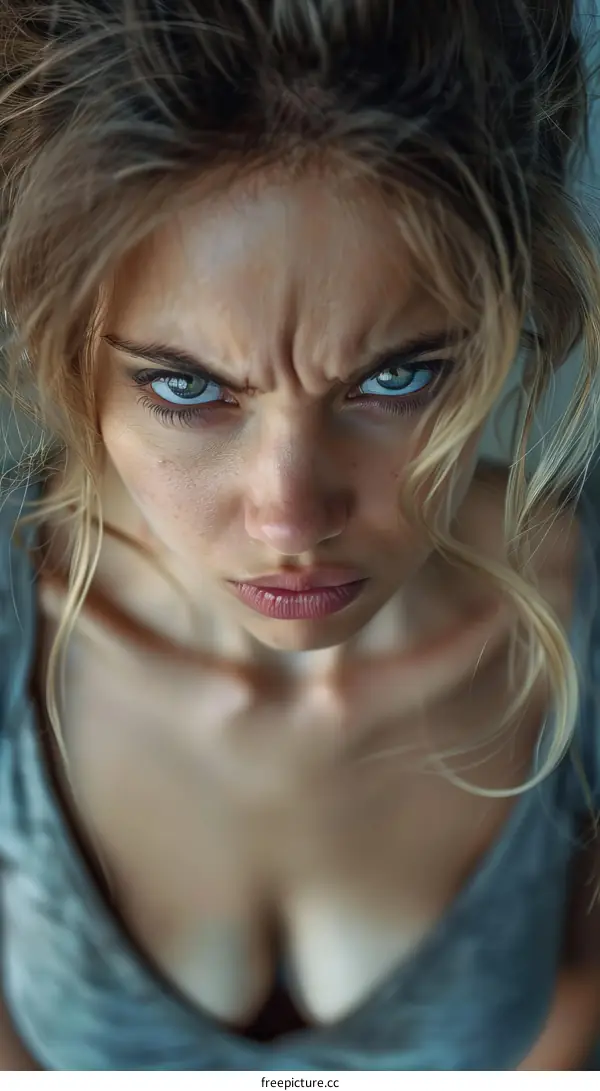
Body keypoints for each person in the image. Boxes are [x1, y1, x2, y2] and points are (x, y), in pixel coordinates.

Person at [1, 0, 600, 1072]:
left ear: (510, 318)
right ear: (63, 351)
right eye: (187, 386)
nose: (290, 517)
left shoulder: (582, 629)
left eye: (396, 376)